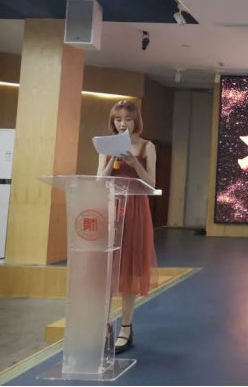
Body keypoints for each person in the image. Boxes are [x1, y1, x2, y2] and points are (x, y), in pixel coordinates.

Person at [97, 100, 158, 354]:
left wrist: (136, 164)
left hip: (134, 208)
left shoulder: (147, 146)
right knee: (106, 269)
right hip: (111, 207)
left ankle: (126, 327)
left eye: (128, 119)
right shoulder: (106, 145)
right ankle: (102, 327)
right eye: (118, 119)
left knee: (130, 268)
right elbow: (99, 180)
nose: (122, 124)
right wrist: (111, 160)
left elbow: (152, 183)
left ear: (136, 121)